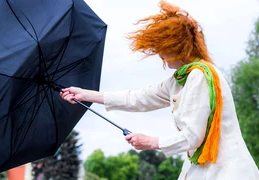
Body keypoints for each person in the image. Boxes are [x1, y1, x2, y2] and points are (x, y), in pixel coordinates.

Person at [60, 1, 259, 179]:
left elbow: (192, 137)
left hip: (225, 171)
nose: (160, 54)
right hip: (204, 168)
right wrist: (86, 95)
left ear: (177, 45)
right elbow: (138, 98)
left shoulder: (199, 76)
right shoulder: (182, 78)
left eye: (161, 47)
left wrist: (151, 142)